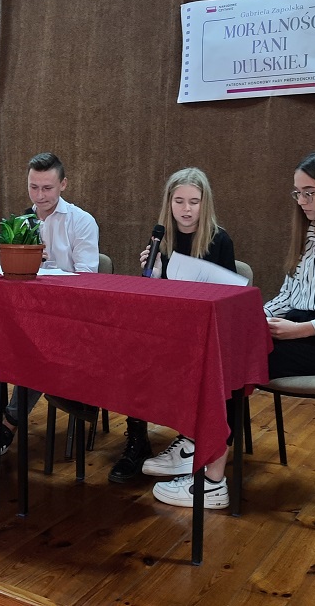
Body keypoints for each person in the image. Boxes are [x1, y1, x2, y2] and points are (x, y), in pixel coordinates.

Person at [151, 150, 315, 510]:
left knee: (228, 361)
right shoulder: (309, 233)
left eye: (310, 192)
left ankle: (211, 479)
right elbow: (288, 296)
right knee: (217, 348)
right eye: (298, 193)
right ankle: (199, 451)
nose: (302, 201)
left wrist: (302, 329)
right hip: (298, 325)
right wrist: (250, 317)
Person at [0, 152, 100, 465]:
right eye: (33, 187)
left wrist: (45, 267)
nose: (39, 196)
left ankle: (8, 425)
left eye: (47, 188)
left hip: (67, 320)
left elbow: (88, 279)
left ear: (63, 185)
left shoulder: (81, 221)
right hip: (25, 314)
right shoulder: (21, 222)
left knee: (38, 346)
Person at [109, 167, 237, 484]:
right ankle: (137, 439)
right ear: (169, 203)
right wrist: (153, 277)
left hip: (204, 335)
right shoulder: (160, 238)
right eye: (179, 201)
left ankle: (193, 440)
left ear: (205, 203)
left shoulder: (220, 240)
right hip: (166, 329)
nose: (186, 209)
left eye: (194, 202)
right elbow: (151, 302)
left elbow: (230, 299)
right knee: (131, 353)